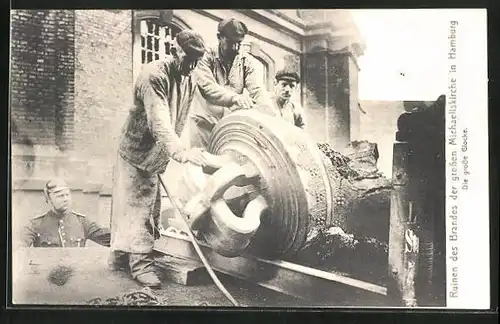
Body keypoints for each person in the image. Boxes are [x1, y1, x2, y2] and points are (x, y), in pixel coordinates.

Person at [108, 30, 213, 289]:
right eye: (188, 59)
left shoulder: (189, 74)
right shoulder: (154, 75)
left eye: (197, 61)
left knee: (144, 206)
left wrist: (237, 100)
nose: (192, 66)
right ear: (175, 50)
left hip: (156, 154)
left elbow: (212, 92)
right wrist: (183, 152)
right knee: (138, 206)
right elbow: (160, 123)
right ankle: (141, 266)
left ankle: (120, 257)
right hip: (137, 151)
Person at [191, 18, 277, 149]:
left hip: (228, 127)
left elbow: (257, 89)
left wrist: (270, 113)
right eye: (232, 43)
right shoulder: (204, 57)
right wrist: (235, 97)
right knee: (201, 164)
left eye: (240, 43)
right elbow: (207, 87)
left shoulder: (245, 61)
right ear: (219, 37)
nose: (236, 48)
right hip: (204, 124)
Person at [19, 178, 110, 248]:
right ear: (49, 199)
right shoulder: (36, 224)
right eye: (60, 196)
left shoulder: (82, 222)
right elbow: (18, 247)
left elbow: (110, 240)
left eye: (67, 195)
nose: (65, 199)